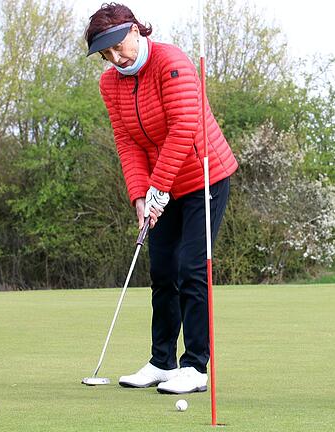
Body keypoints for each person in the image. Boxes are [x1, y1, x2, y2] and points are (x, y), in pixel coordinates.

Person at [85, 3, 238, 394]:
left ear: (136, 31)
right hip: (160, 183)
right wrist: (140, 195)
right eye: (107, 54)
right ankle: (162, 362)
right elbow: (127, 142)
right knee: (163, 271)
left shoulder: (172, 62)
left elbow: (184, 126)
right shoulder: (110, 84)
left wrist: (159, 187)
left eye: (119, 46)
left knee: (191, 268)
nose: (116, 58)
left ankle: (196, 366)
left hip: (205, 175)